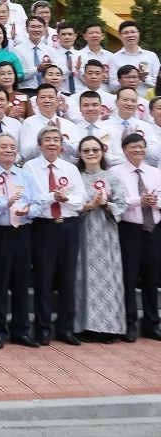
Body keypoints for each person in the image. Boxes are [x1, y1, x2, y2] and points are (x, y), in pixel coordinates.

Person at [24, 126, 86, 346]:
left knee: (68, 279)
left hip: (68, 226)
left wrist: (66, 199)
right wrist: (52, 197)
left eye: (56, 140)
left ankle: (66, 329)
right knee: (44, 278)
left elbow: (81, 199)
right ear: (40, 145)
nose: (52, 143)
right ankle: (43, 329)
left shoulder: (70, 168)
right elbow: (30, 199)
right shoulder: (30, 168)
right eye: (48, 139)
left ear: (61, 145)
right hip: (43, 227)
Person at [0, 132, 41, 349]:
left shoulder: (25, 175)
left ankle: (21, 330)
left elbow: (38, 203)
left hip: (23, 232)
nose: (8, 150)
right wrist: (6, 204)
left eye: (12, 146)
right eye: (3, 146)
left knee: (21, 282)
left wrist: (29, 211)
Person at [74, 135, 127, 342]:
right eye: (86, 150)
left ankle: (109, 328)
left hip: (106, 233)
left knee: (108, 279)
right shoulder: (76, 176)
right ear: (80, 154)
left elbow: (122, 205)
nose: (91, 154)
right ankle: (84, 326)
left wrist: (106, 204)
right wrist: (89, 205)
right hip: (83, 232)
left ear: (102, 152)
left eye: (95, 150)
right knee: (83, 277)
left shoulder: (112, 176)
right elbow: (70, 205)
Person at [111, 133, 161, 342]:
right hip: (129, 230)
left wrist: (154, 201)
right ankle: (129, 324)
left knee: (152, 278)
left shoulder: (155, 172)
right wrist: (139, 200)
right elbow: (117, 200)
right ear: (124, 150)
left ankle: (152, 324)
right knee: (128, 278)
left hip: (153, 230)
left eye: (141, 146)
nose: (138, 150)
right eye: (133, 147)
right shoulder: (115, 172)